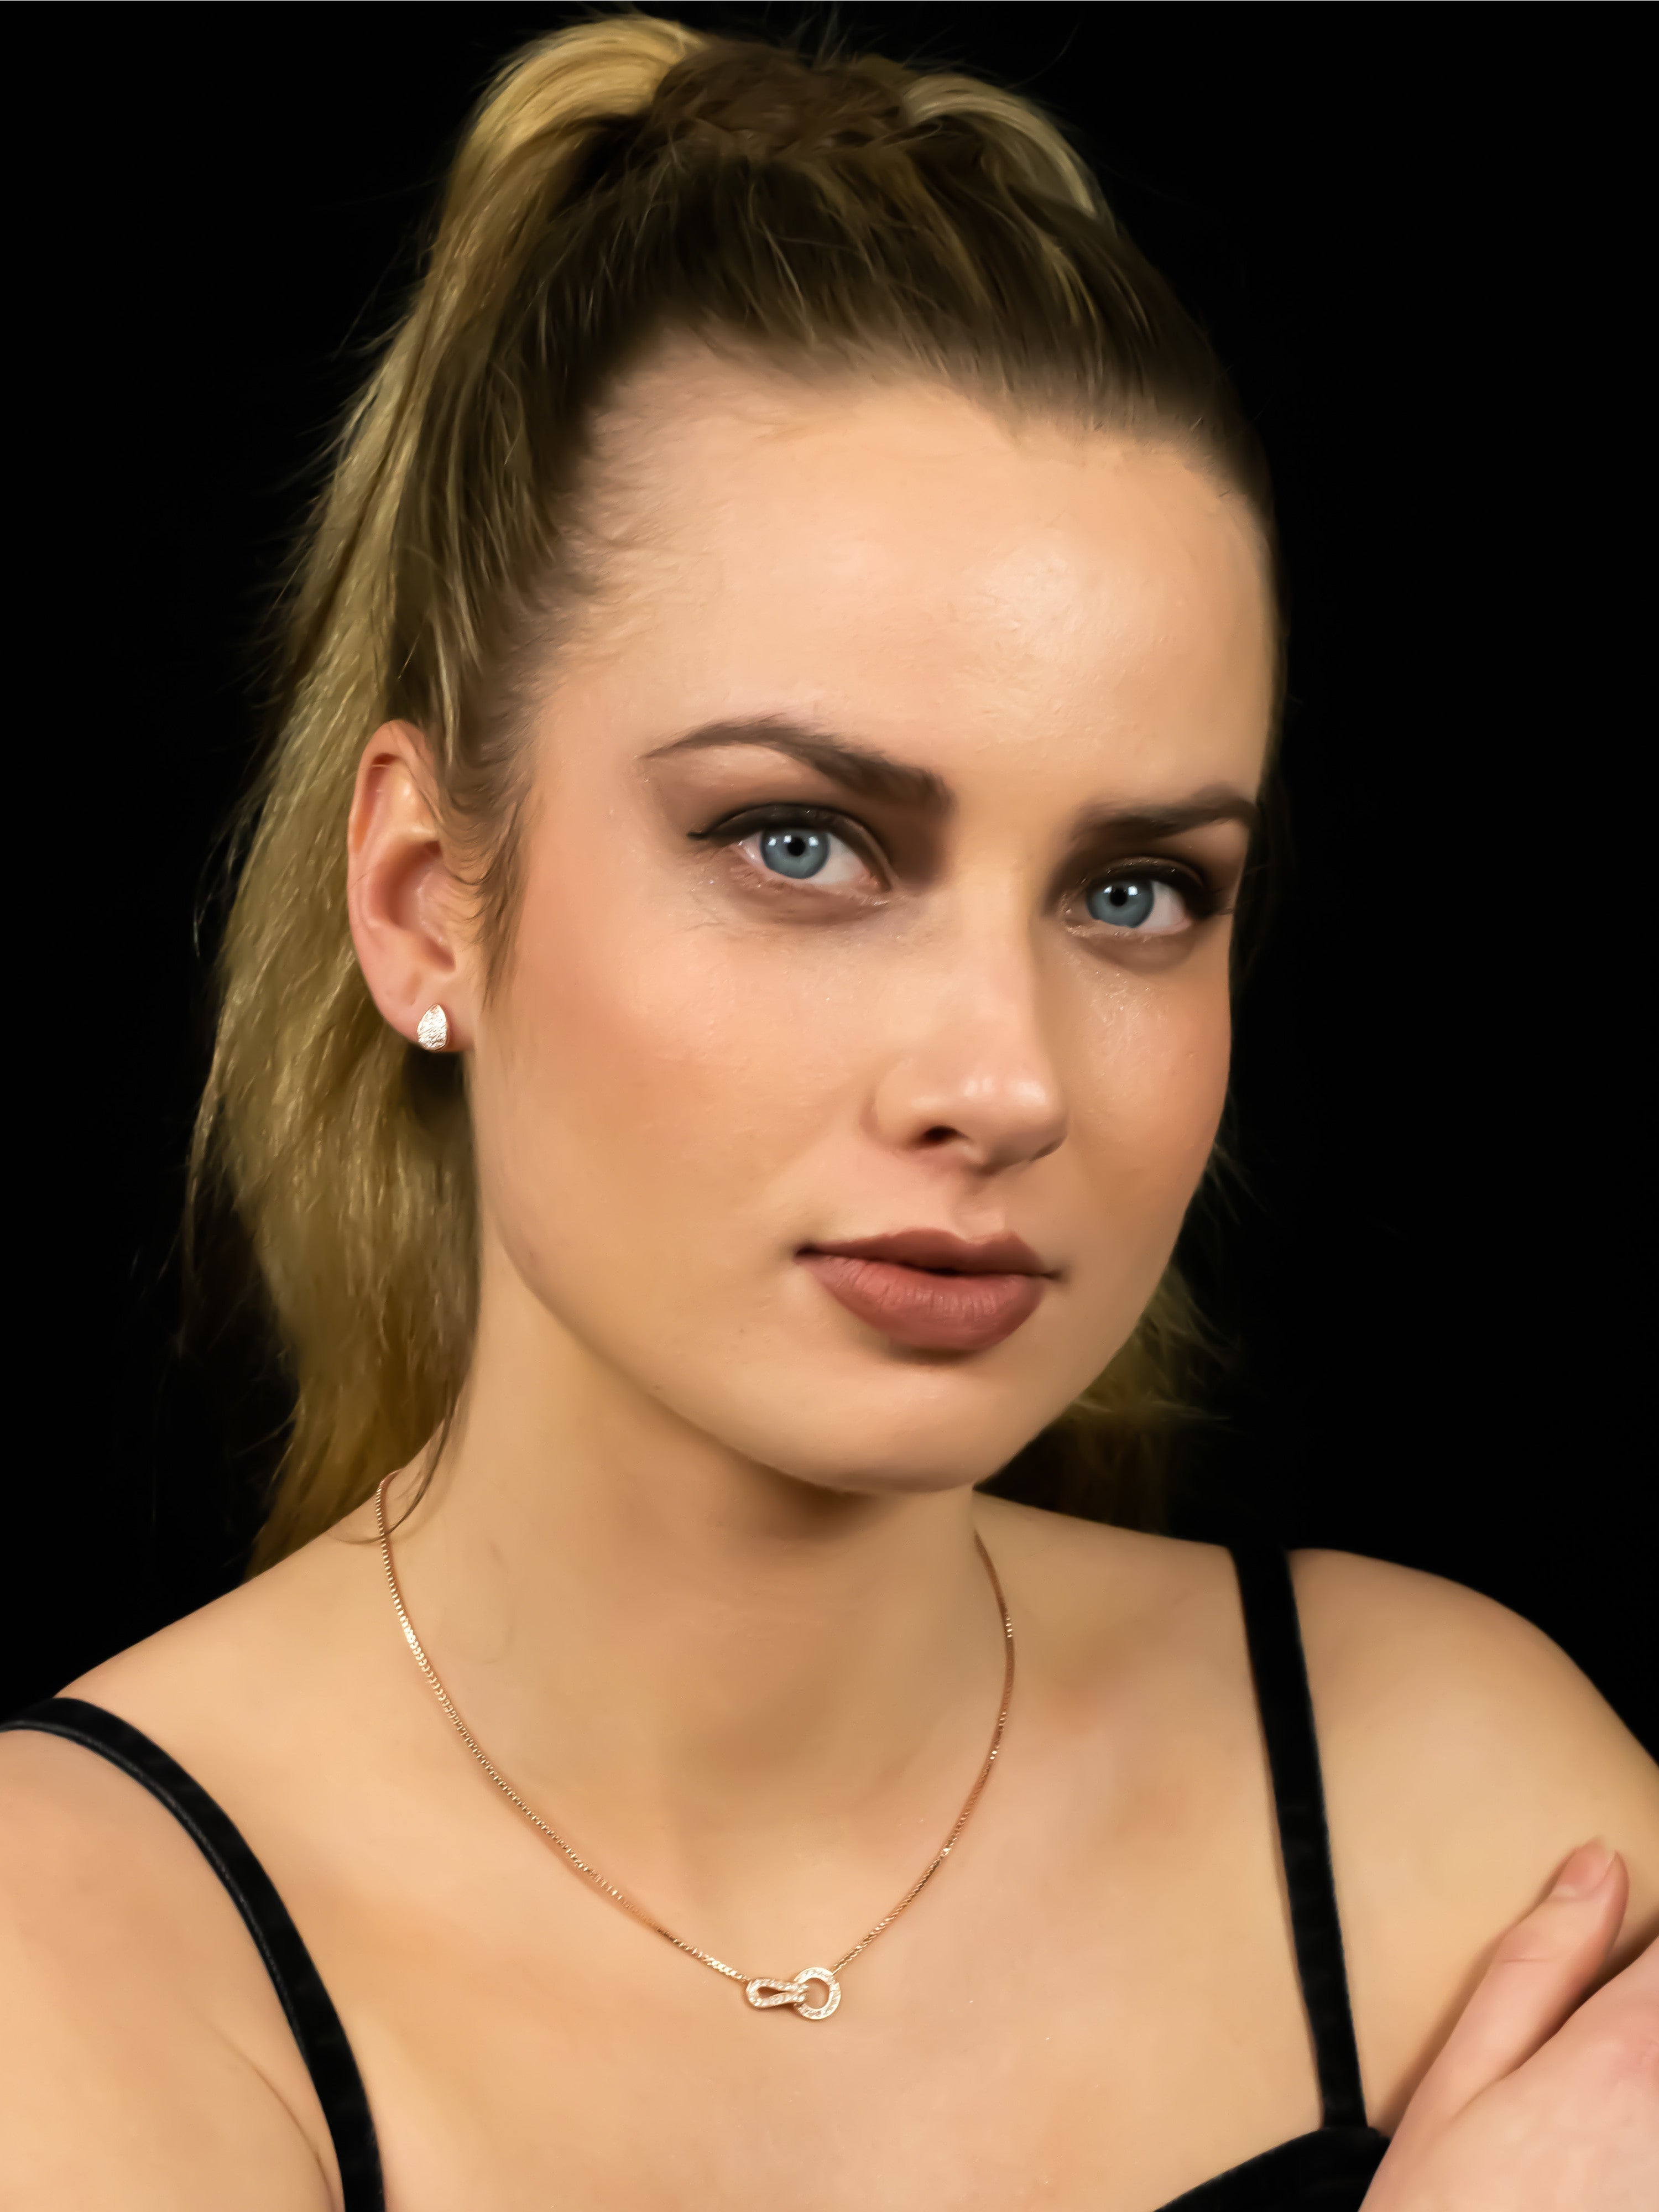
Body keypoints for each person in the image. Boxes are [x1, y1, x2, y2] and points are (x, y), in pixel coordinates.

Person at [2, 18, 1654, 2209]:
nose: (1004, 1081)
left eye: (1136, 891)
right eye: (803, 844)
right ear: (423, 901)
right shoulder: (86, 1961)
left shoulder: (1444, 1792)